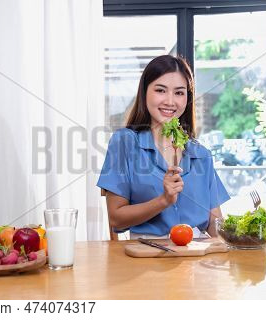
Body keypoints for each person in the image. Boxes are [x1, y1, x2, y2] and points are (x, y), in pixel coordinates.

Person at [97, 55, 230, 239]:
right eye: (161, 90)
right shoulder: (124, 143)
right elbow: (116, 219)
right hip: (147, 256)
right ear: (145, 92)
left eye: (179, 92)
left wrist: (245, 232)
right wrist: (163, 201)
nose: (170, 101)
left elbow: (215, 224)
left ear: (187, 98)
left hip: (197, 257)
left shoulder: (200, 153)